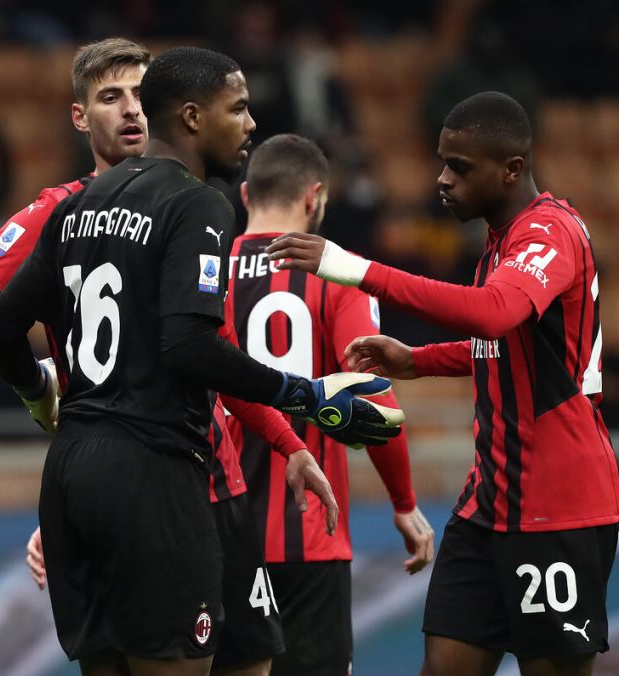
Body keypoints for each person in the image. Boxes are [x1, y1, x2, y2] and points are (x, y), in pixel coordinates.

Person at [0, 39, 342, 676]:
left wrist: (289, 444)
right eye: (112, 98)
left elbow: (207, 351)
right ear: (81, 117)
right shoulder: (63, 209)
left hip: (205, 480)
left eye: (143, 95)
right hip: (154, 477)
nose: (132, 111)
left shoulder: (161, 207)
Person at [266, 91, 619, 676]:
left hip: (559, 507)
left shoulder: (550, 235)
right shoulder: (501, 241)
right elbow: (508, 345)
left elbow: (492, 314)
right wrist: (418, 360)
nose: (442, 180)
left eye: (459, 167)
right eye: (442, 162)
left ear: (510, 170)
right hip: (489, 503)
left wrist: (355, 269)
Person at [223, 133, 435, 676]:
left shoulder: (199, 272)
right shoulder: (339, 274)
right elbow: (375, 397)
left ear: (245, 195)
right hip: (309, 536)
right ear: (315, 197)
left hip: (215, 531)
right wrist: (404, 503)